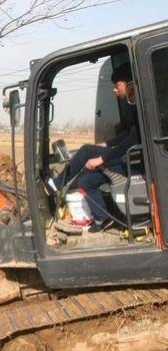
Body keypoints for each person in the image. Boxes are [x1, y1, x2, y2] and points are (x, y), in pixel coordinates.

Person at [49, 62, 139, 233]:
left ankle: (56, 184)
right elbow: (127, 134)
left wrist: (101, 158)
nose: (114, 89)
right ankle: (102, 217)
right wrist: (106, 144)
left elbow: (131, 142)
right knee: (86, 181)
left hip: (133, 159)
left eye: (116, 85)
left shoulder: (141, 106)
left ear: (130, 85)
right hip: (127, 156)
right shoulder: (132, 106)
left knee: (86, 150)